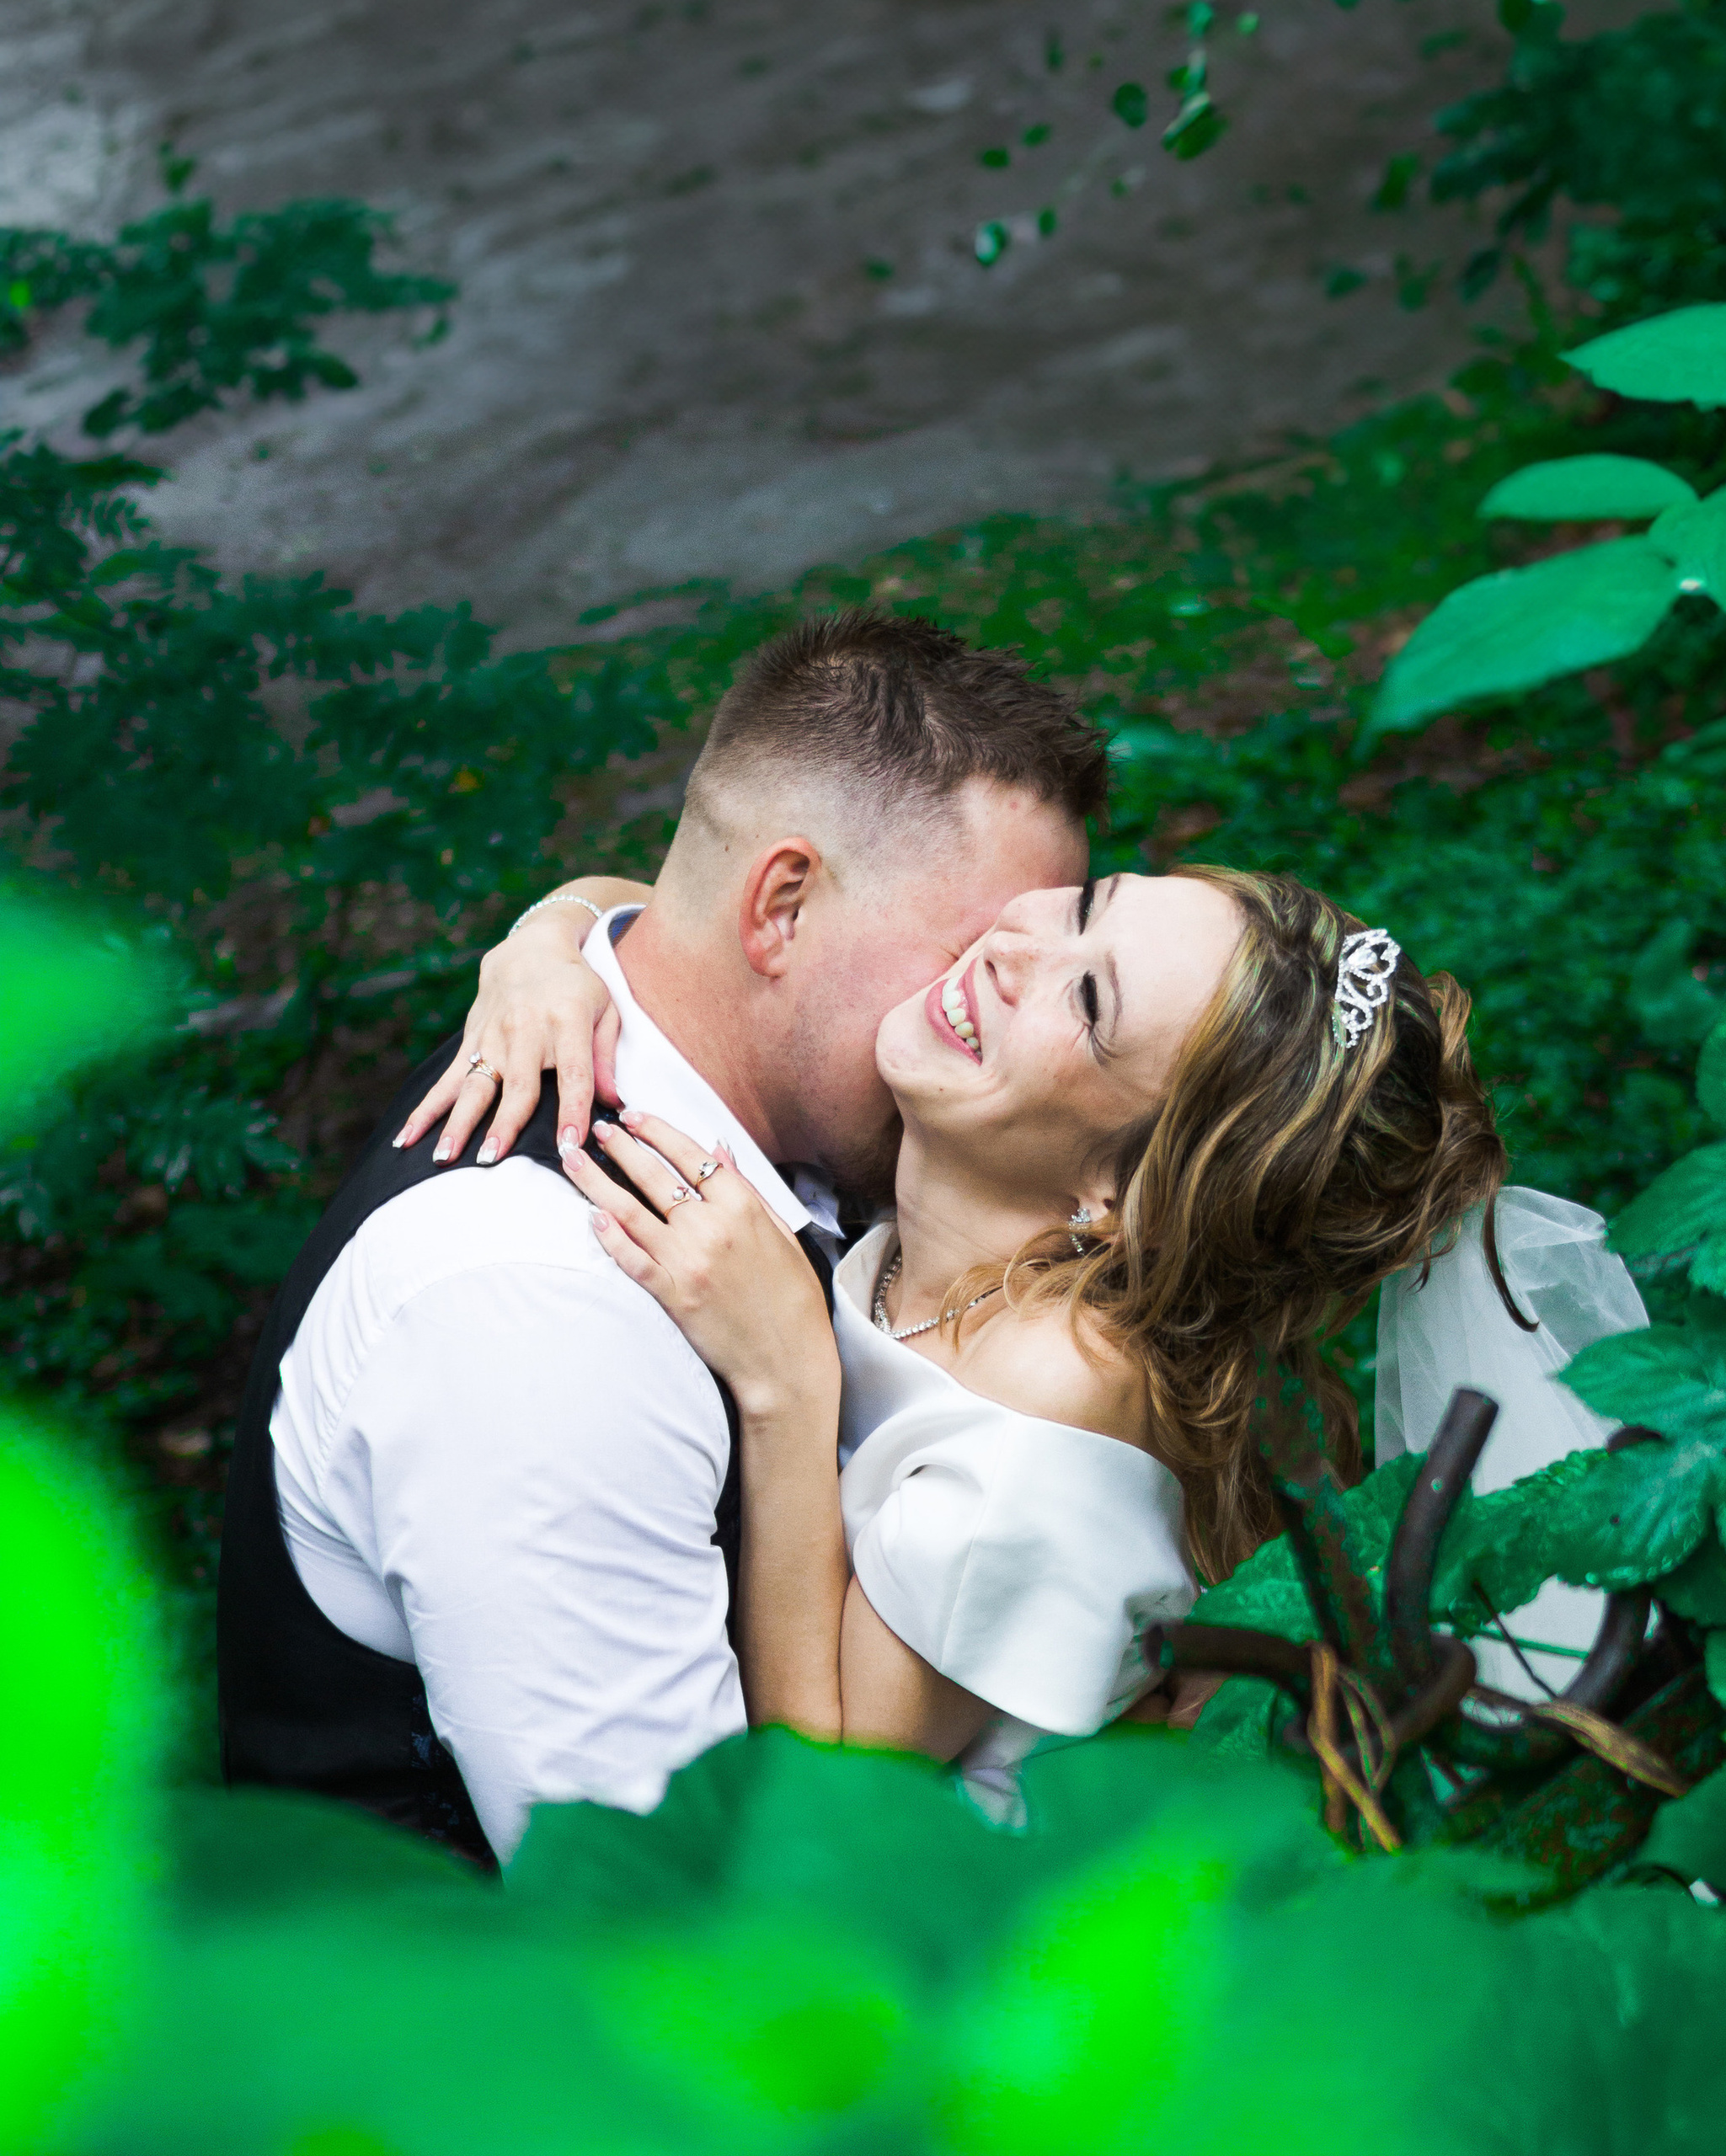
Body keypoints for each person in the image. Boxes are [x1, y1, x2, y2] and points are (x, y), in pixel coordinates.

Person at [216, 612, 1106, 1868]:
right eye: (970, 957)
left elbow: (646, 903)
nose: (980, 1009)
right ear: (782, 907)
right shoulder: (542, 1319)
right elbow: (658, 1908)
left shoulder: (708, 1036)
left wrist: (549, 928)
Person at [446, 857, 1509, 1810]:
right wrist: (544, 946)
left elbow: (837, 1793)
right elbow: (686, 890)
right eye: (1089, 903)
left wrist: (787, 1385)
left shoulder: (1058, 1386)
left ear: (1122, 1194)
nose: (1014, 946)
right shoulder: (957, 1199)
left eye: (1088, 999)